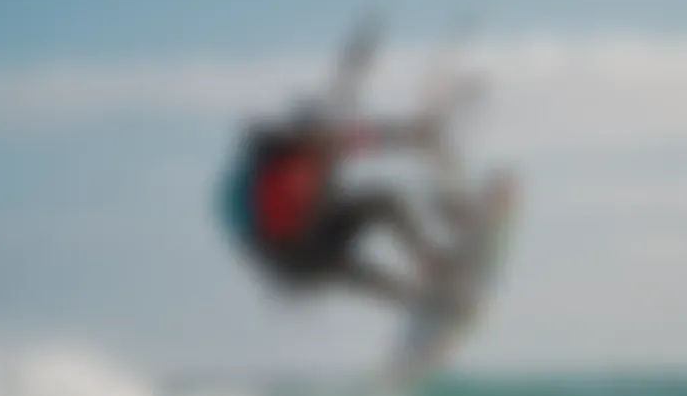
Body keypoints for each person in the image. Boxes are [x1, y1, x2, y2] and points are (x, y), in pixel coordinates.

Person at [219, 102, 517, 310]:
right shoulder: (284, 170)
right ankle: (429, 295)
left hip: (304, 250)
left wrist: (411, 135)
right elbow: (284, 221)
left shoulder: (301, 156)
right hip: (299, 258)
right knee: (355, 263)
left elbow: (362, 140)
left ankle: (432, 270)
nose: (326, 146)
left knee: (382, 206)